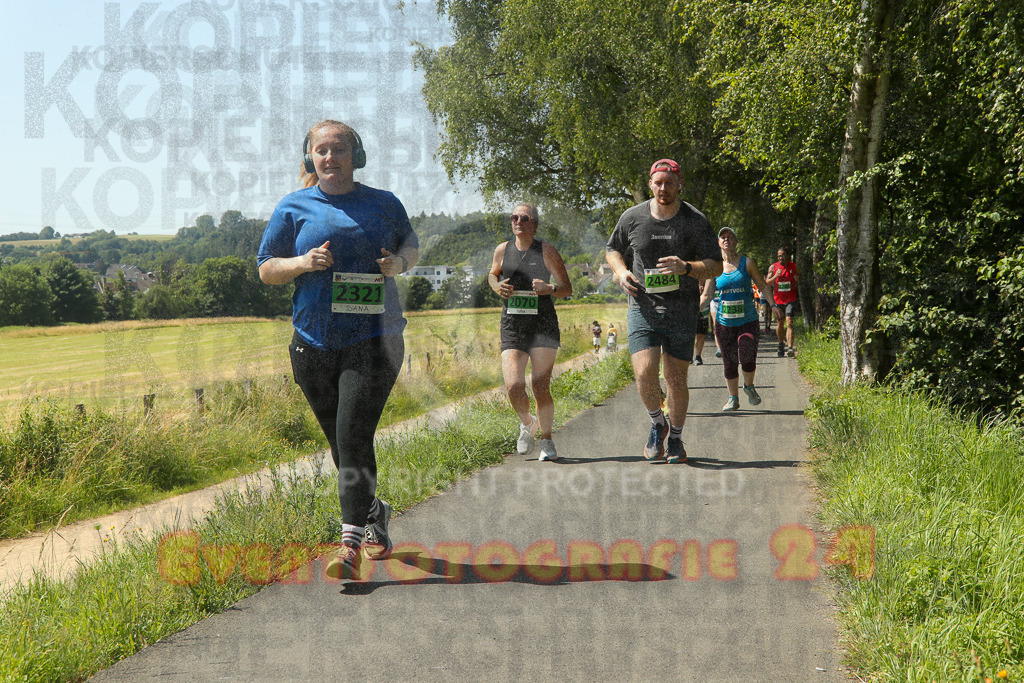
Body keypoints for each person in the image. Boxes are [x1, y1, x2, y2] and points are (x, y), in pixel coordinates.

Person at [257, 119, 418, 580]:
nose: (330, 158)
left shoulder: (384, 203)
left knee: (352, 436)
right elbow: (266, 268)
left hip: (374, 340)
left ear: (356, 156)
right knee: (342, 444)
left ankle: (349, 545)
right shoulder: (293, 206)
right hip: (312, 345)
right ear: (310, 157)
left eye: (340, 149)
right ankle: (373, 511)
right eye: (322, 150)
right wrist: (302, 262)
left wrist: (398, 263)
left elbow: (411, 248)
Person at [605, 159, 723, 464]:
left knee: (675, 378)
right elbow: (612, 249)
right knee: (644, 372)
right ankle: (658, 423)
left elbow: (716, 266)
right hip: (642, 306)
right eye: (658, 183)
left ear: (680, 185)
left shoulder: (695, 221)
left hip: (682, 309)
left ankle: (677, 439)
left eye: (669, 183)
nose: (663, 188)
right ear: (650, 184)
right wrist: (621, 272)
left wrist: (686, 267)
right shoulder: (633, 217)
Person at [488, 203, 572, 462]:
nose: (518, 222)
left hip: (542, 325)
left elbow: (566, 288)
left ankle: (546, 439)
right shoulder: (502, 250)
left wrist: (550, 289)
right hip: (513, 324)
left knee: (540, 385)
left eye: (525, 218)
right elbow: (492, 274)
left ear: (535, 224)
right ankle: (528, 423)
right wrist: (496, 286)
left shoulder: (547, 251)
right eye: (514, 217)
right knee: (513, 385)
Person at [700, 227, 772, 411]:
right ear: (718, 243)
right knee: (729, 361)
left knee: (747, 354)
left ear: (736, 241)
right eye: (723, 237)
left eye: (730, 237)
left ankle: (748, 386)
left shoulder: (747, 263)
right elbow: (707, 295)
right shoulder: (715, 268)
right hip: (724, 323)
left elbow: (762, 285)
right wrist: (692, 312)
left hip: (747, 320)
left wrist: (774, 305)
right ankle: (733, 398)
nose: (727, 240)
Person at [765, 246, 800, 357]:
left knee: (789, 323)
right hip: (778, 300)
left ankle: (790, 347)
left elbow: (799, 277)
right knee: (780, 323)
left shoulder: (793, 266)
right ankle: (781, 344)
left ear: (788, 256)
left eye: (783, 255)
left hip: (790, 299)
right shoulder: (773, 267)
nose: (781, 258)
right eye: (779, 256)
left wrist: (797, 278)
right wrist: (776, 276)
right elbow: (767, 283)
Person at [693, 280, 709, 365]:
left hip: (703, 307)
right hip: (690, 306)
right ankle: (689, 355)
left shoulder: (706, 277)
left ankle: (698, 356)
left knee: (701, 333)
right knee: (690, 334)